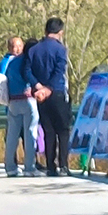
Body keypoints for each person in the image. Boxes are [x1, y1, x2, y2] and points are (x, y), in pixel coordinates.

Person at [22, 17, 71, 176]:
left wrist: (38, 87)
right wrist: (49, 88)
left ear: (46, 30)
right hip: (56, 92)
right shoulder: (60, 49)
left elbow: (27, 71)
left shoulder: (34, 49)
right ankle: (63, 165)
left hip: (40, 95)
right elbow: (59, 71)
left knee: (48, 130)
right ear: (60, 32)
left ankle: (51, 166)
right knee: (63, 130)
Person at [0, 36, 36, 177]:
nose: (17, 49)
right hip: (27, 100)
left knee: (12, 136)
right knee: (30, 133)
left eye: (19, 46)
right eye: (14, 46)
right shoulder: (26, 61)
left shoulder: (8, 63)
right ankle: (30, 167)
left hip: (12, 102)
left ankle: (10, 167)